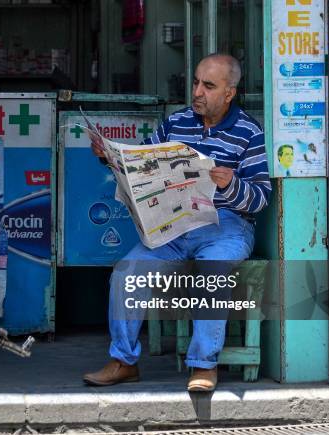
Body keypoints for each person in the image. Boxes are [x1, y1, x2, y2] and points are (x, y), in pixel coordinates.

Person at [83, 53, 271, 392]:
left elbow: (260, 198)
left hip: (225, 226)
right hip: (174, 224)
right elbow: (141, 164)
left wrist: (232, 184)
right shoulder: (176, 122)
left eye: (208, 86)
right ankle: (124, 361)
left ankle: (203, 365)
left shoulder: (249, 131)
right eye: (195, 82)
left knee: (213, 268)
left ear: (229, 93)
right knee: (127, 272)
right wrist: (111, 158)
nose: (197, 92)